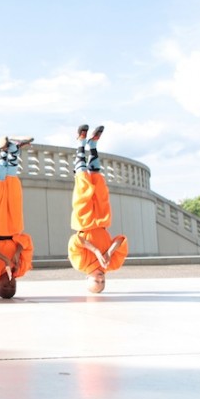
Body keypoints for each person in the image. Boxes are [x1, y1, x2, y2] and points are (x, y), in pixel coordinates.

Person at [67, 124, 128, 293]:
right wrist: (108, 252)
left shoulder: (80, 264)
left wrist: (94, 250)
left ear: (87, 277)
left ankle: (80, 143)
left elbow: (75, 241)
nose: (100, 278)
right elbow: (121, 240)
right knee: (98, 184)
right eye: (102, 282)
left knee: (83, 184)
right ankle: (93, 146)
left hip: (83, 222)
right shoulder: (112, 264)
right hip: (102, 220)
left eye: (96, 281)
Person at [0, 135, 35, 299]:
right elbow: (26, 245)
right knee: (12, 188)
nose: (9, 283)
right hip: (13, 228)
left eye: (5, 286)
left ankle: (5, 153)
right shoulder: (21, 270)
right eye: (12, 287)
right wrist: (16, 254)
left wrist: (4, 259)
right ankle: (13, 150)